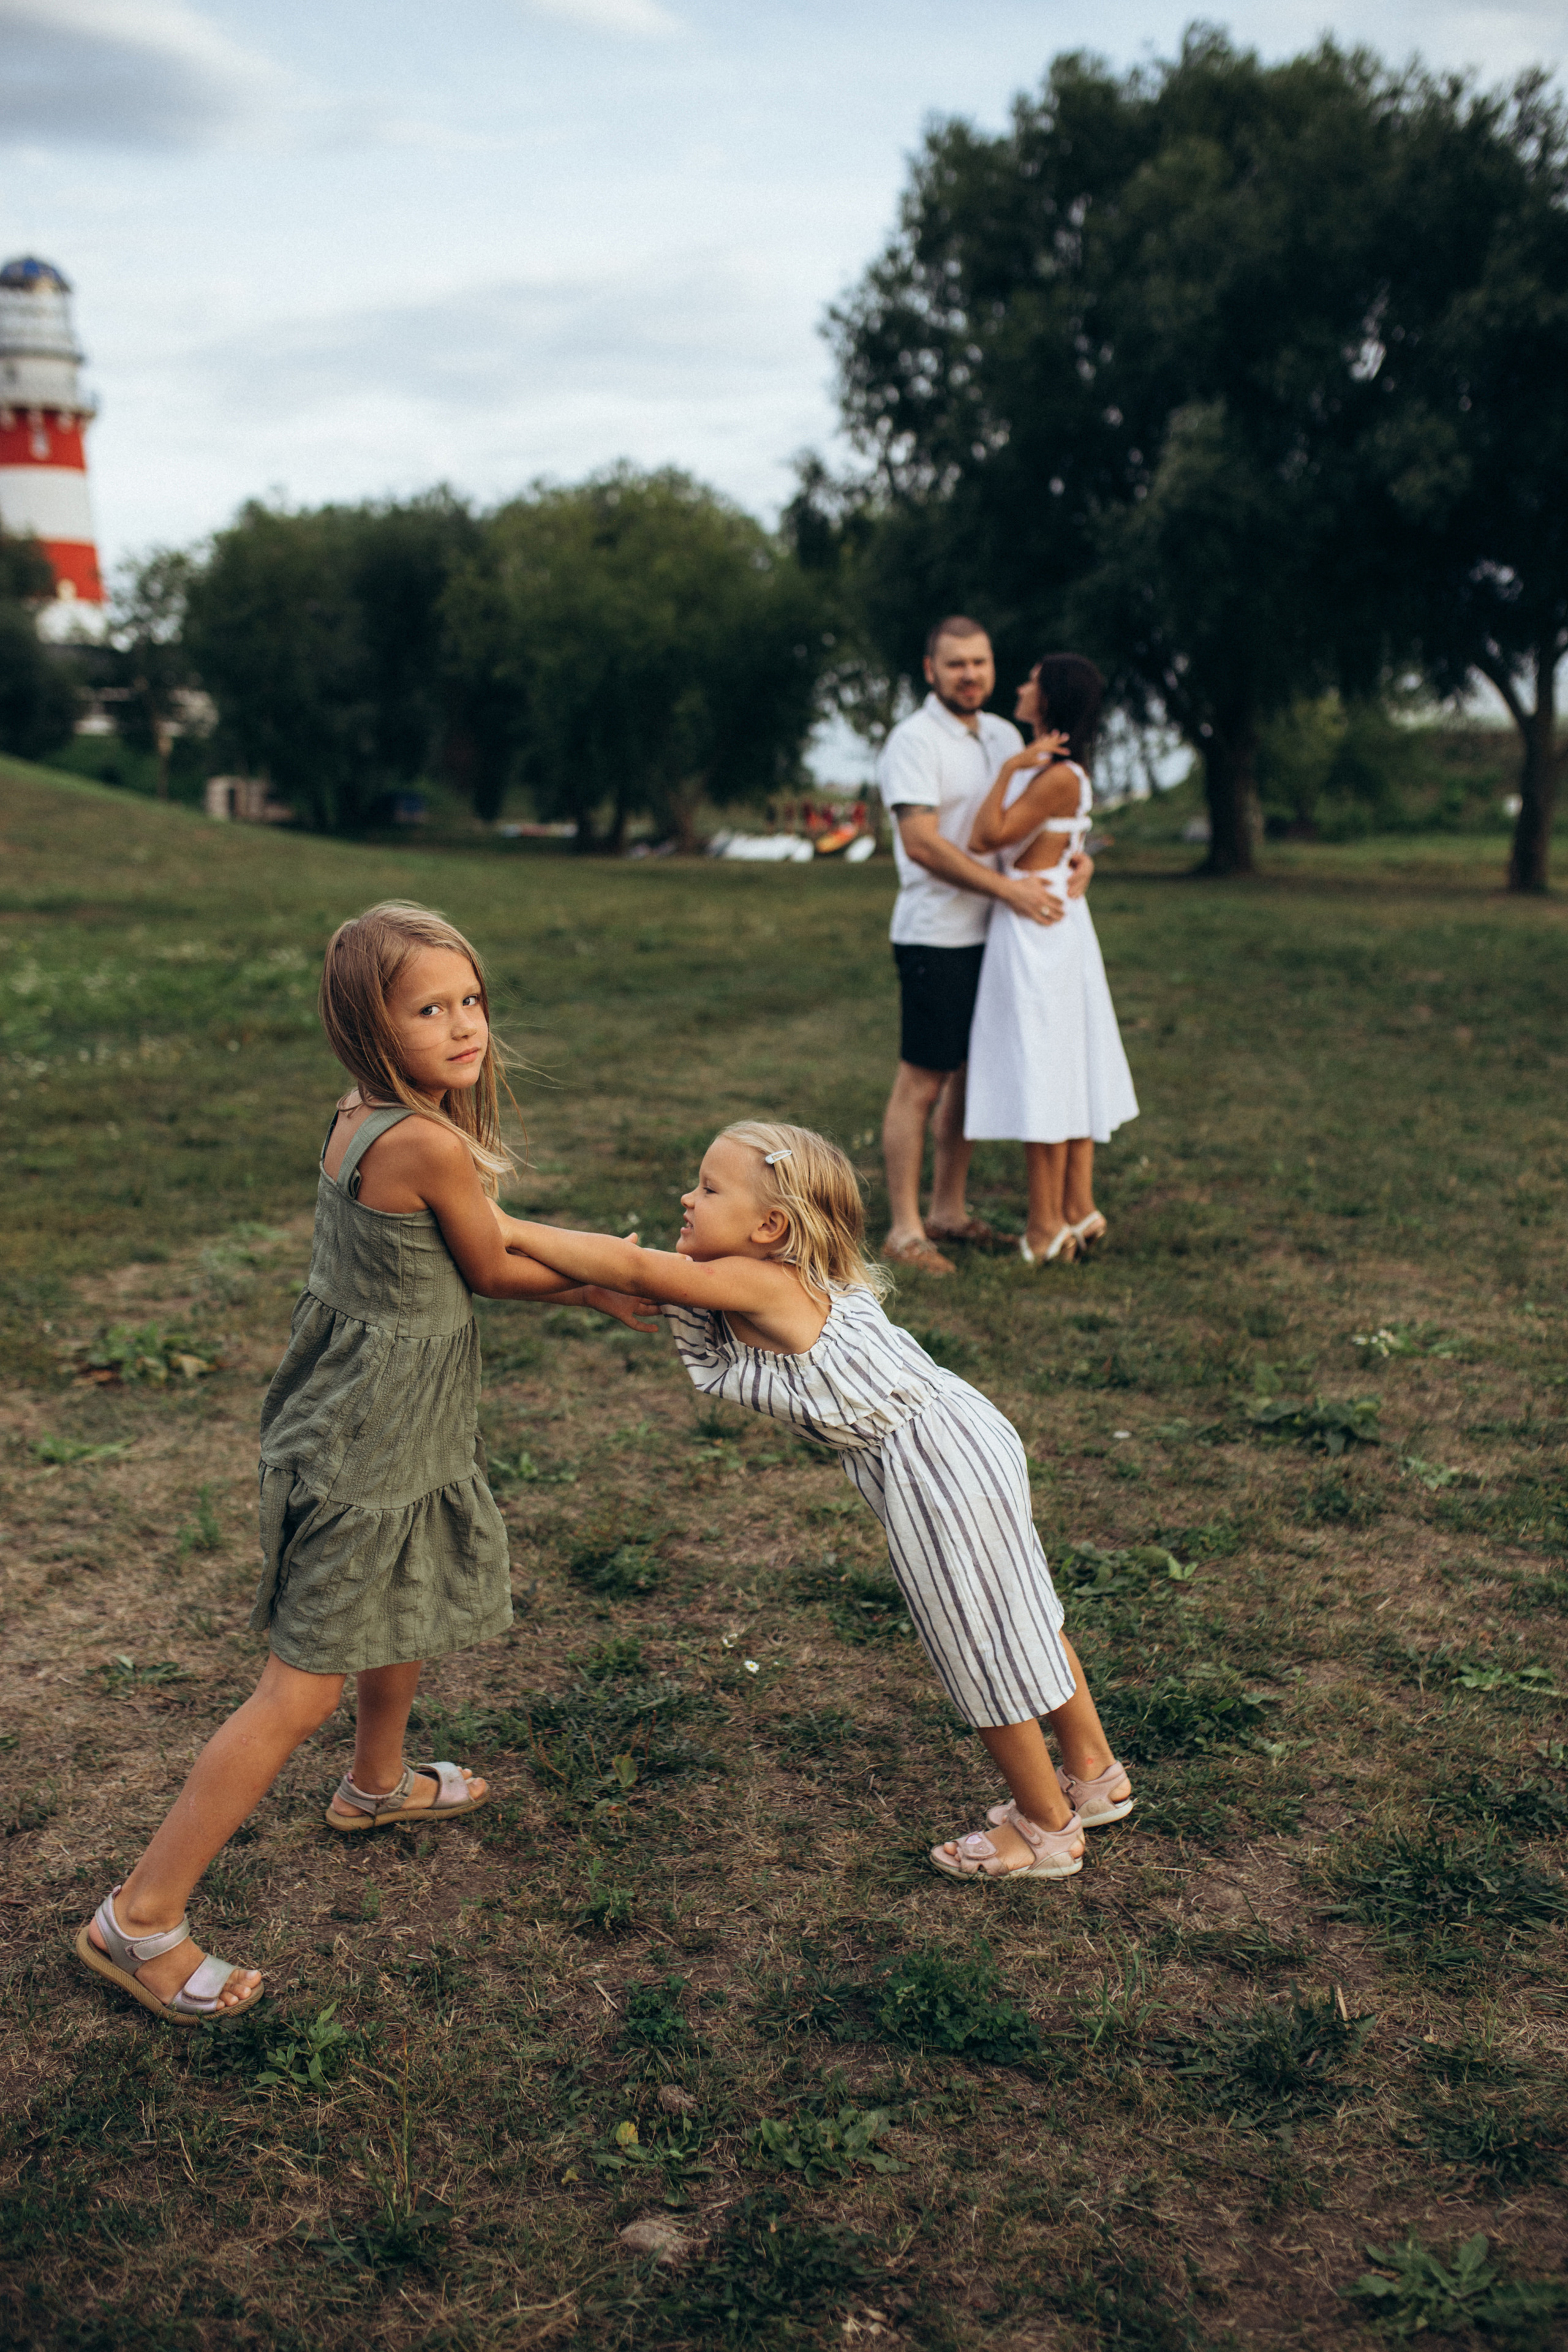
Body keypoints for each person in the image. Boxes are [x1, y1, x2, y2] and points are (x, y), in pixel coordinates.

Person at [76, 900, 652, 2024]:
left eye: (471, 999)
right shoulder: (425, 1141)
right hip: (366, 1444)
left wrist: (595, 1267)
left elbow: (476, 1238)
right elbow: (488, 1263)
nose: (464, 1025)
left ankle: (375, 1786)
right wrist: (601, 1282)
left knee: (408, 1593)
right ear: (367, 1027)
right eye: (429, 1009)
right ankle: (137, 1918)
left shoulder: (368, 1117)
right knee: (298, 1689)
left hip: (384, 1425)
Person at [497, 1121, 1134, 1880]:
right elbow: (633, 1279)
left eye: (708, 1188)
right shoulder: (779, 1272)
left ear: (771, 1226)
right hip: (962, 1436)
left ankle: (1045, 1827)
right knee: (1020, 1609)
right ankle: (1093, 1775)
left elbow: (635, 1267)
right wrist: (571, 1281)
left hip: (932, 1467)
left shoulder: (760, 1281)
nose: (686, 1198)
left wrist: (503, 1226)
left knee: (977, 1636)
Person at [874, 617, 1095, 1276]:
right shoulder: (911, 742)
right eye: (954, 665)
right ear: (929, 669)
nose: (969, 675)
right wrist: (1008, 891)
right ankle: (905, 1231)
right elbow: (922, 843)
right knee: (922, 1080)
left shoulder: (1003, 734)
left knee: (971, 1081)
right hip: (937, 932)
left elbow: (1047, 824)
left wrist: (1081, 864)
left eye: (980, 662)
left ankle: (948, 1210)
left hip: (1003, 937)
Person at [964, 655, 1139, 1265]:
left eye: (1030, 681)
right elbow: (1064, 840)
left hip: (1035, 930)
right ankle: (1076, 1208)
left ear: (1049, 698)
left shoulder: (1053, 774)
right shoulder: (1069, 774)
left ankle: (1045, 1226)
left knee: (1044, 1070)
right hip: (1056, 920)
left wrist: (1008, 770)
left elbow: (985, 837)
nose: (1019, 687)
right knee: (1064, 1065)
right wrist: (1079, 861)